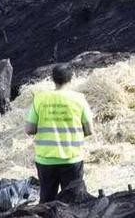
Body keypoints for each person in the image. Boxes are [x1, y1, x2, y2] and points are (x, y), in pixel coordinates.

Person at [25, 65, 93, 204]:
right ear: (71, 78)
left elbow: (29, 129)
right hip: (72, 159)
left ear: (52, 79)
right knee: (73, 202)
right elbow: (89, 130)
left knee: (47, 203)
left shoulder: (40, 98)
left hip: (45, 160)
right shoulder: (79, 99)